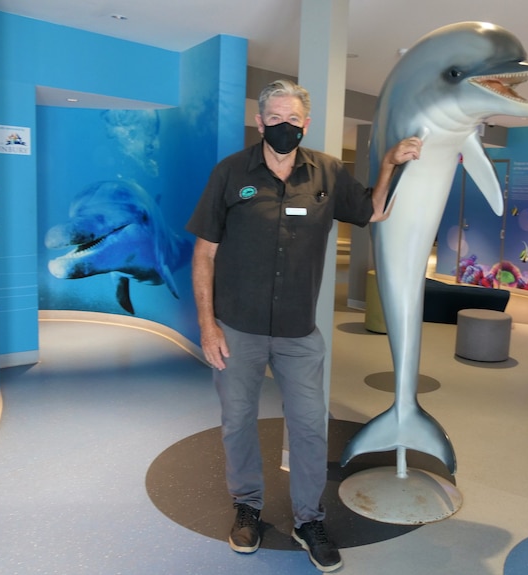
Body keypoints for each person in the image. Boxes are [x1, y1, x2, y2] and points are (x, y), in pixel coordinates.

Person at [185, 79, 422, 573]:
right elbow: (204, 253)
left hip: (298, 333)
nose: (284, 126)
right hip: (238, 330)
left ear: (306, 123)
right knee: (238, 423)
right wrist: (207, 327)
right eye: (275, 118)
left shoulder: (328, 173)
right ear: (259, 121)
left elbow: (373, 210)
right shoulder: (230, 173)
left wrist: (388, 164)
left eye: (293, 119)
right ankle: (247, 506)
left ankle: (309, 518)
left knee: (312, 427)